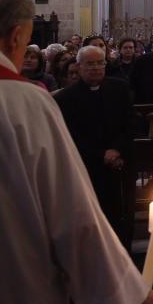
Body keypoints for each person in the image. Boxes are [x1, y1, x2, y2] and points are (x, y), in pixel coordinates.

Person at [0, 0, 153, 304]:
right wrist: (124, 296)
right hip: (9, 293)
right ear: (15, 36)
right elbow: (73, 216)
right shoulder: (22, 102)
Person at [55, 44, 136, 247]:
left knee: (122, 215)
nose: (96, 68)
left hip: (120, 163)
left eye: (100, 63)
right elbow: (71, 135)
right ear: (79, 66)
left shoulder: (119, 88)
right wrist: (102, 155)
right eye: (90, 64)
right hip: (88, 167)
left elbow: (130, 123)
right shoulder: (66, 98)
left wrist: (117, 150)